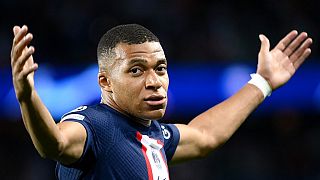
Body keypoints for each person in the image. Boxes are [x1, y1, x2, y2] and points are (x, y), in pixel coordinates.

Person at [10, 24, 312, 179]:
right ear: (106, 82)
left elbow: (207, 136)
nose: (154, 81)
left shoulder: (153, 134)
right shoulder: (95, 125)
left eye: (161, 69)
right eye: (136, 70)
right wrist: (27, 96)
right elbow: (55, 144)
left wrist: (262, 82)